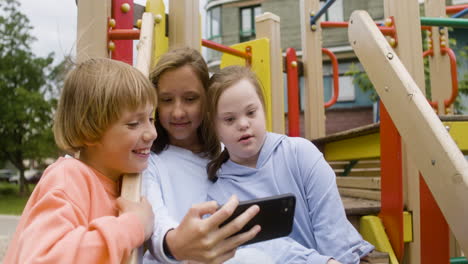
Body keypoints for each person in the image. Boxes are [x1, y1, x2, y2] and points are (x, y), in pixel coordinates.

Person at [142, 48, 326, 264]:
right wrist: (172, 241)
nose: (178, 112)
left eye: (190, 99)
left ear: (209, 103)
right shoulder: (150, 161)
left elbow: (254, 229)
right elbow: (155, 218)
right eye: (166, 100)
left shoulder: (229, 152)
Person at [206, 65, 375, 264]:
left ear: (263, 110)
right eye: (229, 119)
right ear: (214, 126)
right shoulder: (217, 193)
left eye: (251, 112)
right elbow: (250, 251)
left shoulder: (300, 154)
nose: (243, 124)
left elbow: (330, 225)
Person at [4, 58, 157, 263]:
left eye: (151, 119)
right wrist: (133, 226)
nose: (152, 133)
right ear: (89, 132)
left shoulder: (125, 181)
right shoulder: (68, 178)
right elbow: (44, 259)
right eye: (133, 124)